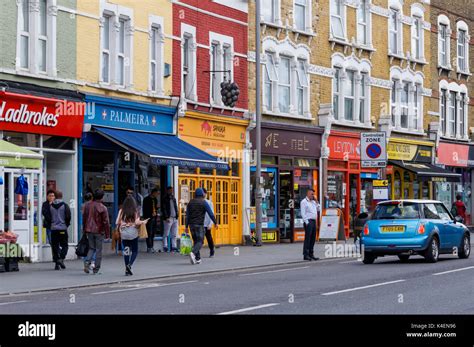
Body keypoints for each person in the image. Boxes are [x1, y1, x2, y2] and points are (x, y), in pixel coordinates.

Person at [185, 188, 218, 265]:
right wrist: (215, 223)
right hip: (199, 224)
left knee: (196, 241)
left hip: (191, 225)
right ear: (202, 194)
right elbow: (210, 213)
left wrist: (186, 226)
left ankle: (198, 259)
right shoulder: (204, 202)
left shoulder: (190, 202)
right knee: (200, 241)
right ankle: (193, 252)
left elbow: (187, 216)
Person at [116, 196, 148, 276]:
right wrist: (143, 222)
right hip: (133, 233)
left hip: (124, 233)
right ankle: (129, 265)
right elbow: (137, 222)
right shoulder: (135, 211)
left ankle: (126, 269)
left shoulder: (121, 211)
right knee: (134, 250)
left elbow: (117, 222)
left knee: (126, 251)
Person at [83, 189, 110, 274]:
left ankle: (87, 262)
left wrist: (85, 229)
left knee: (91, 248)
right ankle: (96, 268)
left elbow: (85, 218)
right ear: (102, 197)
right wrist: (107, 234)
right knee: (98, 250)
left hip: (89, 230)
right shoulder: (103, 207)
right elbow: (106, 222)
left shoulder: (87, 205)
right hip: (99, 231)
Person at [49, 191, 72, 270]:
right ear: (61, 196)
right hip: (62, 228)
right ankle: (61, 259)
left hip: (54, 229)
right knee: (65, 245)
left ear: (55, 196)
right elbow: (68, 216)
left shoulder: (51, 206)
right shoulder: (65, 206)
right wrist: (66, 224)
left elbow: (48, 217)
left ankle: (56, 264)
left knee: (55, 246)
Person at [300, 189, 320, 261]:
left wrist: (317, 201)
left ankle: (311, 254)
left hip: (314, 221)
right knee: (308, 238)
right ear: (308, 194)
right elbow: (303, 213)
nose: (313, 196)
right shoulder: (304, 202)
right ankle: (306, 254)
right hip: (308, 221)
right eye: (312, 194)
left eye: (313, 194)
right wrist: (307, 222)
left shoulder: (313, 202)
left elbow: (318, 209)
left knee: (313, 238)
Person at [162, 186, 179, 253]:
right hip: (168, 218)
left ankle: (174, 247)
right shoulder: (165, 198)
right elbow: (164, 208)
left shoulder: (173, 198)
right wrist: (166, 217)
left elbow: (175, 207)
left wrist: (177, 215)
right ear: (167, 191)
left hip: (174, 217)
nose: (171, 191)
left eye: (172, 190)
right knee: (166, 233)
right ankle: (165, 246)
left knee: (174, 234)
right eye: (170, 190)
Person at [143, 188, 159, 253]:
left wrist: (157, 210)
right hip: (148, 218)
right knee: (149, 233)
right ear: (153, 193)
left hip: (154, 218)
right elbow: (145, 209)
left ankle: (152, 246)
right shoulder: (146, 199)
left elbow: (156, 208)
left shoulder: (155, 200)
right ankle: (149, 247)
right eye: (157, 193)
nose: (157, 195)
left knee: (152, 233)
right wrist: (146, 218)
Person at [202, 188, 216, 258]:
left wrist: (211, 224)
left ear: (205, 194)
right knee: (200, 239)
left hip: (207, 223)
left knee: (209, 238)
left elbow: (212, 213)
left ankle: (212, 250)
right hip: (200, 223)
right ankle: (196, 252)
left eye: (203, 193)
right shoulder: (199, 202)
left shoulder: (209, 203)